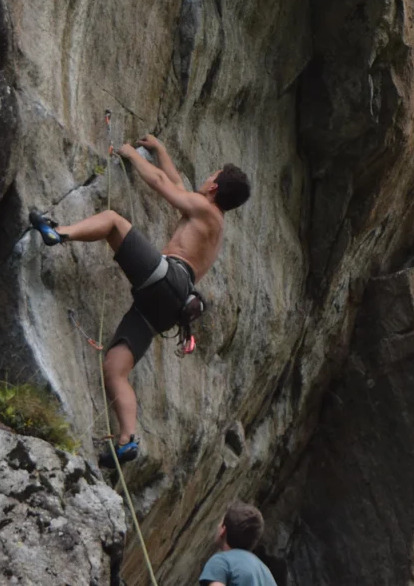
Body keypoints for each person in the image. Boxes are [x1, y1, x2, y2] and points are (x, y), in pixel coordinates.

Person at [28, 134, 250, 463]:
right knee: (115, 369)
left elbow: (161, 183)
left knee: (113, 221)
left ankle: (58, 232)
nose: (206, 178)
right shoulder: (214, 222)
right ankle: (127, 440)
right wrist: (159, 149)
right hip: (167, 309)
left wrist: (131, 154)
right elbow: (176, 184)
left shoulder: (205, 208)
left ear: (214, 186)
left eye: (211, 175)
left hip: (168, 279)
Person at [200, 502, 278, 586]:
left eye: (220, 523)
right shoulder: (265, 573)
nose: (217, 526)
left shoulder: (222, 561)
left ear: (223, 530)